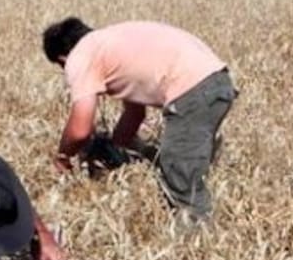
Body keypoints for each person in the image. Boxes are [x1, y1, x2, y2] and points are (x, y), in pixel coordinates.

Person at [42, 18, 238, 221]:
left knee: (179, 173)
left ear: (62, 59)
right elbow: (135, 115)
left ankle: (196, 239)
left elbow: (80, 130)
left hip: (192, 89)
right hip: (218, 81)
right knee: (187, 162)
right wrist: (116, 150)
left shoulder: (80, 55)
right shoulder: (109, 44)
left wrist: (63, 158)